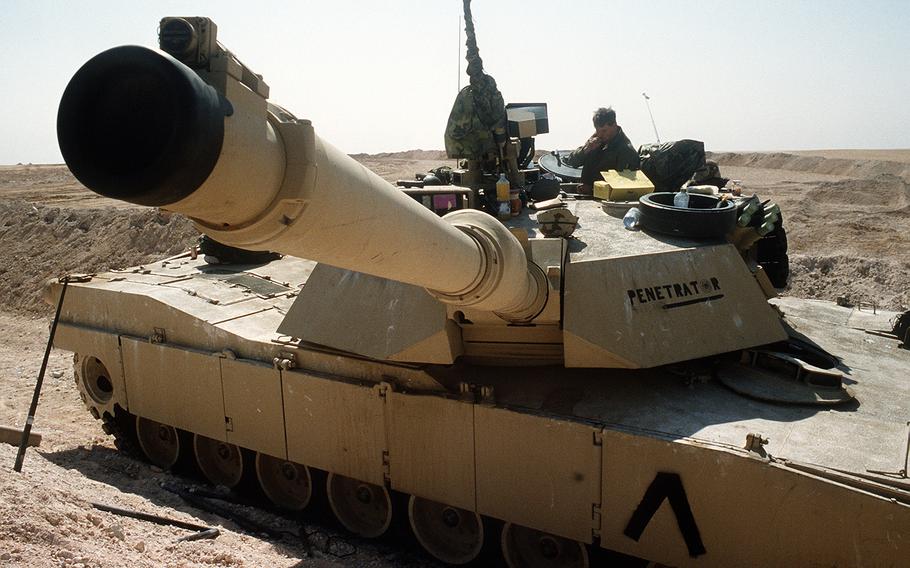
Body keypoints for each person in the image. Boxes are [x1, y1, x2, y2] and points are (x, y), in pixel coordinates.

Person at [565, 107, 640, 193]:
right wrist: (585, 150)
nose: (600, 134)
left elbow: (623, 185)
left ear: (614, 125)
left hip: (608, 202)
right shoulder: (596, 141)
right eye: (597, 130)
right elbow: (571, 162)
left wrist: (592, 189)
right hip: (587, 197)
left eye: (604, 131)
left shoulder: (626, 150)